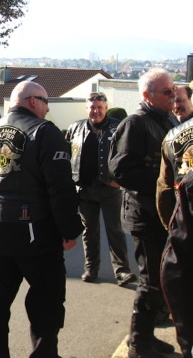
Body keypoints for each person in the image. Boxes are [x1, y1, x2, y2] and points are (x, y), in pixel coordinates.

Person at [0, 81, 83, 358]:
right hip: (36, 234)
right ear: (33, 101)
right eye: (46, 102)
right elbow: (60, 188)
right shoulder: (45, 132)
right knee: (46, 302)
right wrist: (69, 230)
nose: (48, 109)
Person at [108, 68, 179, 358]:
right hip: (145, 214)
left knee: (162, 278)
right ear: (147, 96)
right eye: (167, 91)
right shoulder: (135, 124)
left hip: (165, 214)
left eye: (174, 89)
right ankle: (138, 343)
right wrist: (164, 184)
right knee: (151, 281)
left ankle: (147, 336)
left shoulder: (169, 120)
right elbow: (121, 170)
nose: (173, 95)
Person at [65, 92, 135, 285]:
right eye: (92, 107)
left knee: (115, 230)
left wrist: (120, 179)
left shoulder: (118, 127)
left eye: (99, 107)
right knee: (89, 232)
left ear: (106, 108)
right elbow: (67, 153)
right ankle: (91, 269)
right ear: (86, 108)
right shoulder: (75, 127)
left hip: (109, 188)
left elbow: (128, 154)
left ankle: (122, 271)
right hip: (85, 188)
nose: (95, 111)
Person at [156, 89, 193, 358]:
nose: (176, 105)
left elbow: (165, 190)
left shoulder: (171, 136)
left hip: (184, 227)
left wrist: (174, 227)